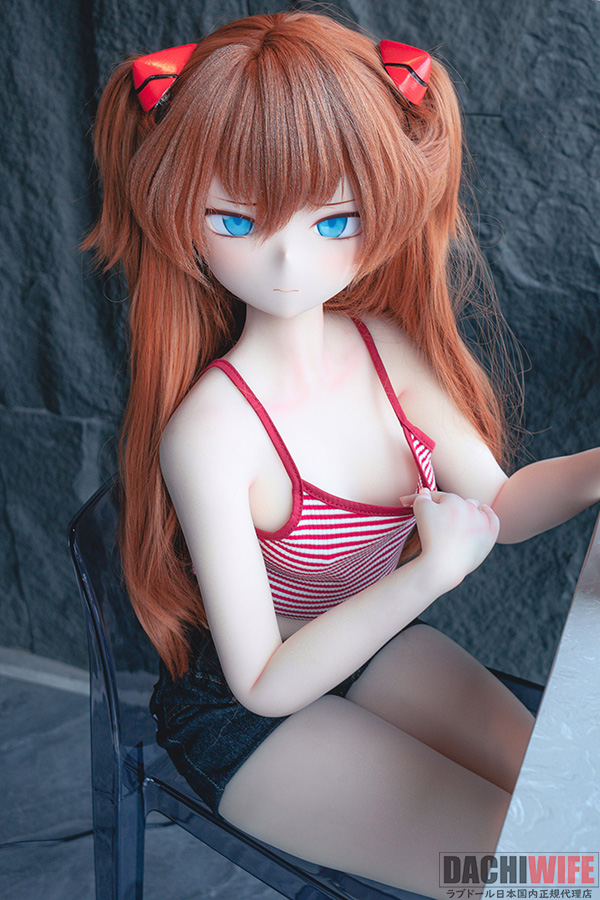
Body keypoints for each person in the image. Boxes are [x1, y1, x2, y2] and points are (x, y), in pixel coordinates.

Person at [84, 11, 600, 898]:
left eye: (334, 220)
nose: (288, 259)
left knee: (579, 812)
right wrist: (429, 575)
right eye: (237, 220)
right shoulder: (210, 434)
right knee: (537, 869)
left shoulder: (384, 348)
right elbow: (262, 681)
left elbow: (502, 507)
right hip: (248, 710)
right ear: (183, 219)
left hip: (370, 643)